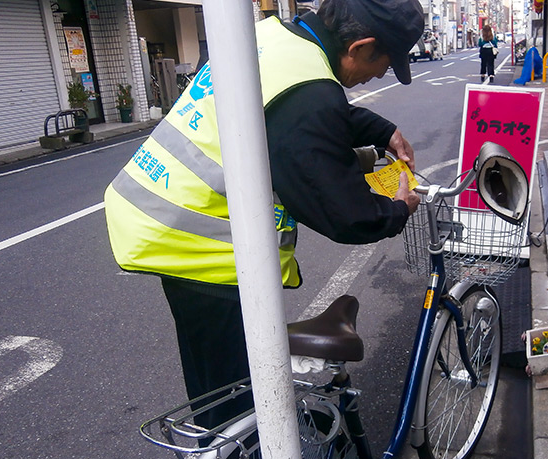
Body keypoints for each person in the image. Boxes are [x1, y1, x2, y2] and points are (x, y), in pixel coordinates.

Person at [104, 0, 424, 435]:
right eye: (385, 64)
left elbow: (302, 106)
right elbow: (345, 214)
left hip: (164, 217)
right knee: (232, 413)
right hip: (202, 247)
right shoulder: (312, 94)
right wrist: (397, 208)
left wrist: (381, 131)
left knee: (221, 389)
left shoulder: (274, 37)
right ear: (361, 46)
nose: (379, 76)